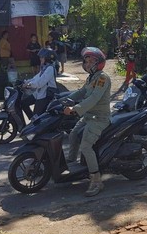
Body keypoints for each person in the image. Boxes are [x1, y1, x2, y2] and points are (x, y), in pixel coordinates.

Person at [64, 47, 111, 197]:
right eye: (87, 61)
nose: (88, 63)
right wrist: (63, 99)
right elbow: (82, 92)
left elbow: (93, 98)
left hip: (99, 118)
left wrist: (74, 108)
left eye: (92, 61)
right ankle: (71, 163)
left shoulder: (102, 78)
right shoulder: (91, 77)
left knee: (85, 146)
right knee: (72, 135)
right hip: (89, 116)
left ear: (99, 63)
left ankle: (97, 180)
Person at [21, 49, 59, 118]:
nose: (40, 59)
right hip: (38, 93)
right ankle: (32, 121)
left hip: (45, 96)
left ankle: (34, 122)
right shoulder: (44, 68)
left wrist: (29, 85)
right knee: (23, 103)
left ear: (47, 59)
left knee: (36, 116)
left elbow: (40, 83)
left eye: (42, 57)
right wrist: (25, 82)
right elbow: (36, 78)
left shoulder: (50, 69)